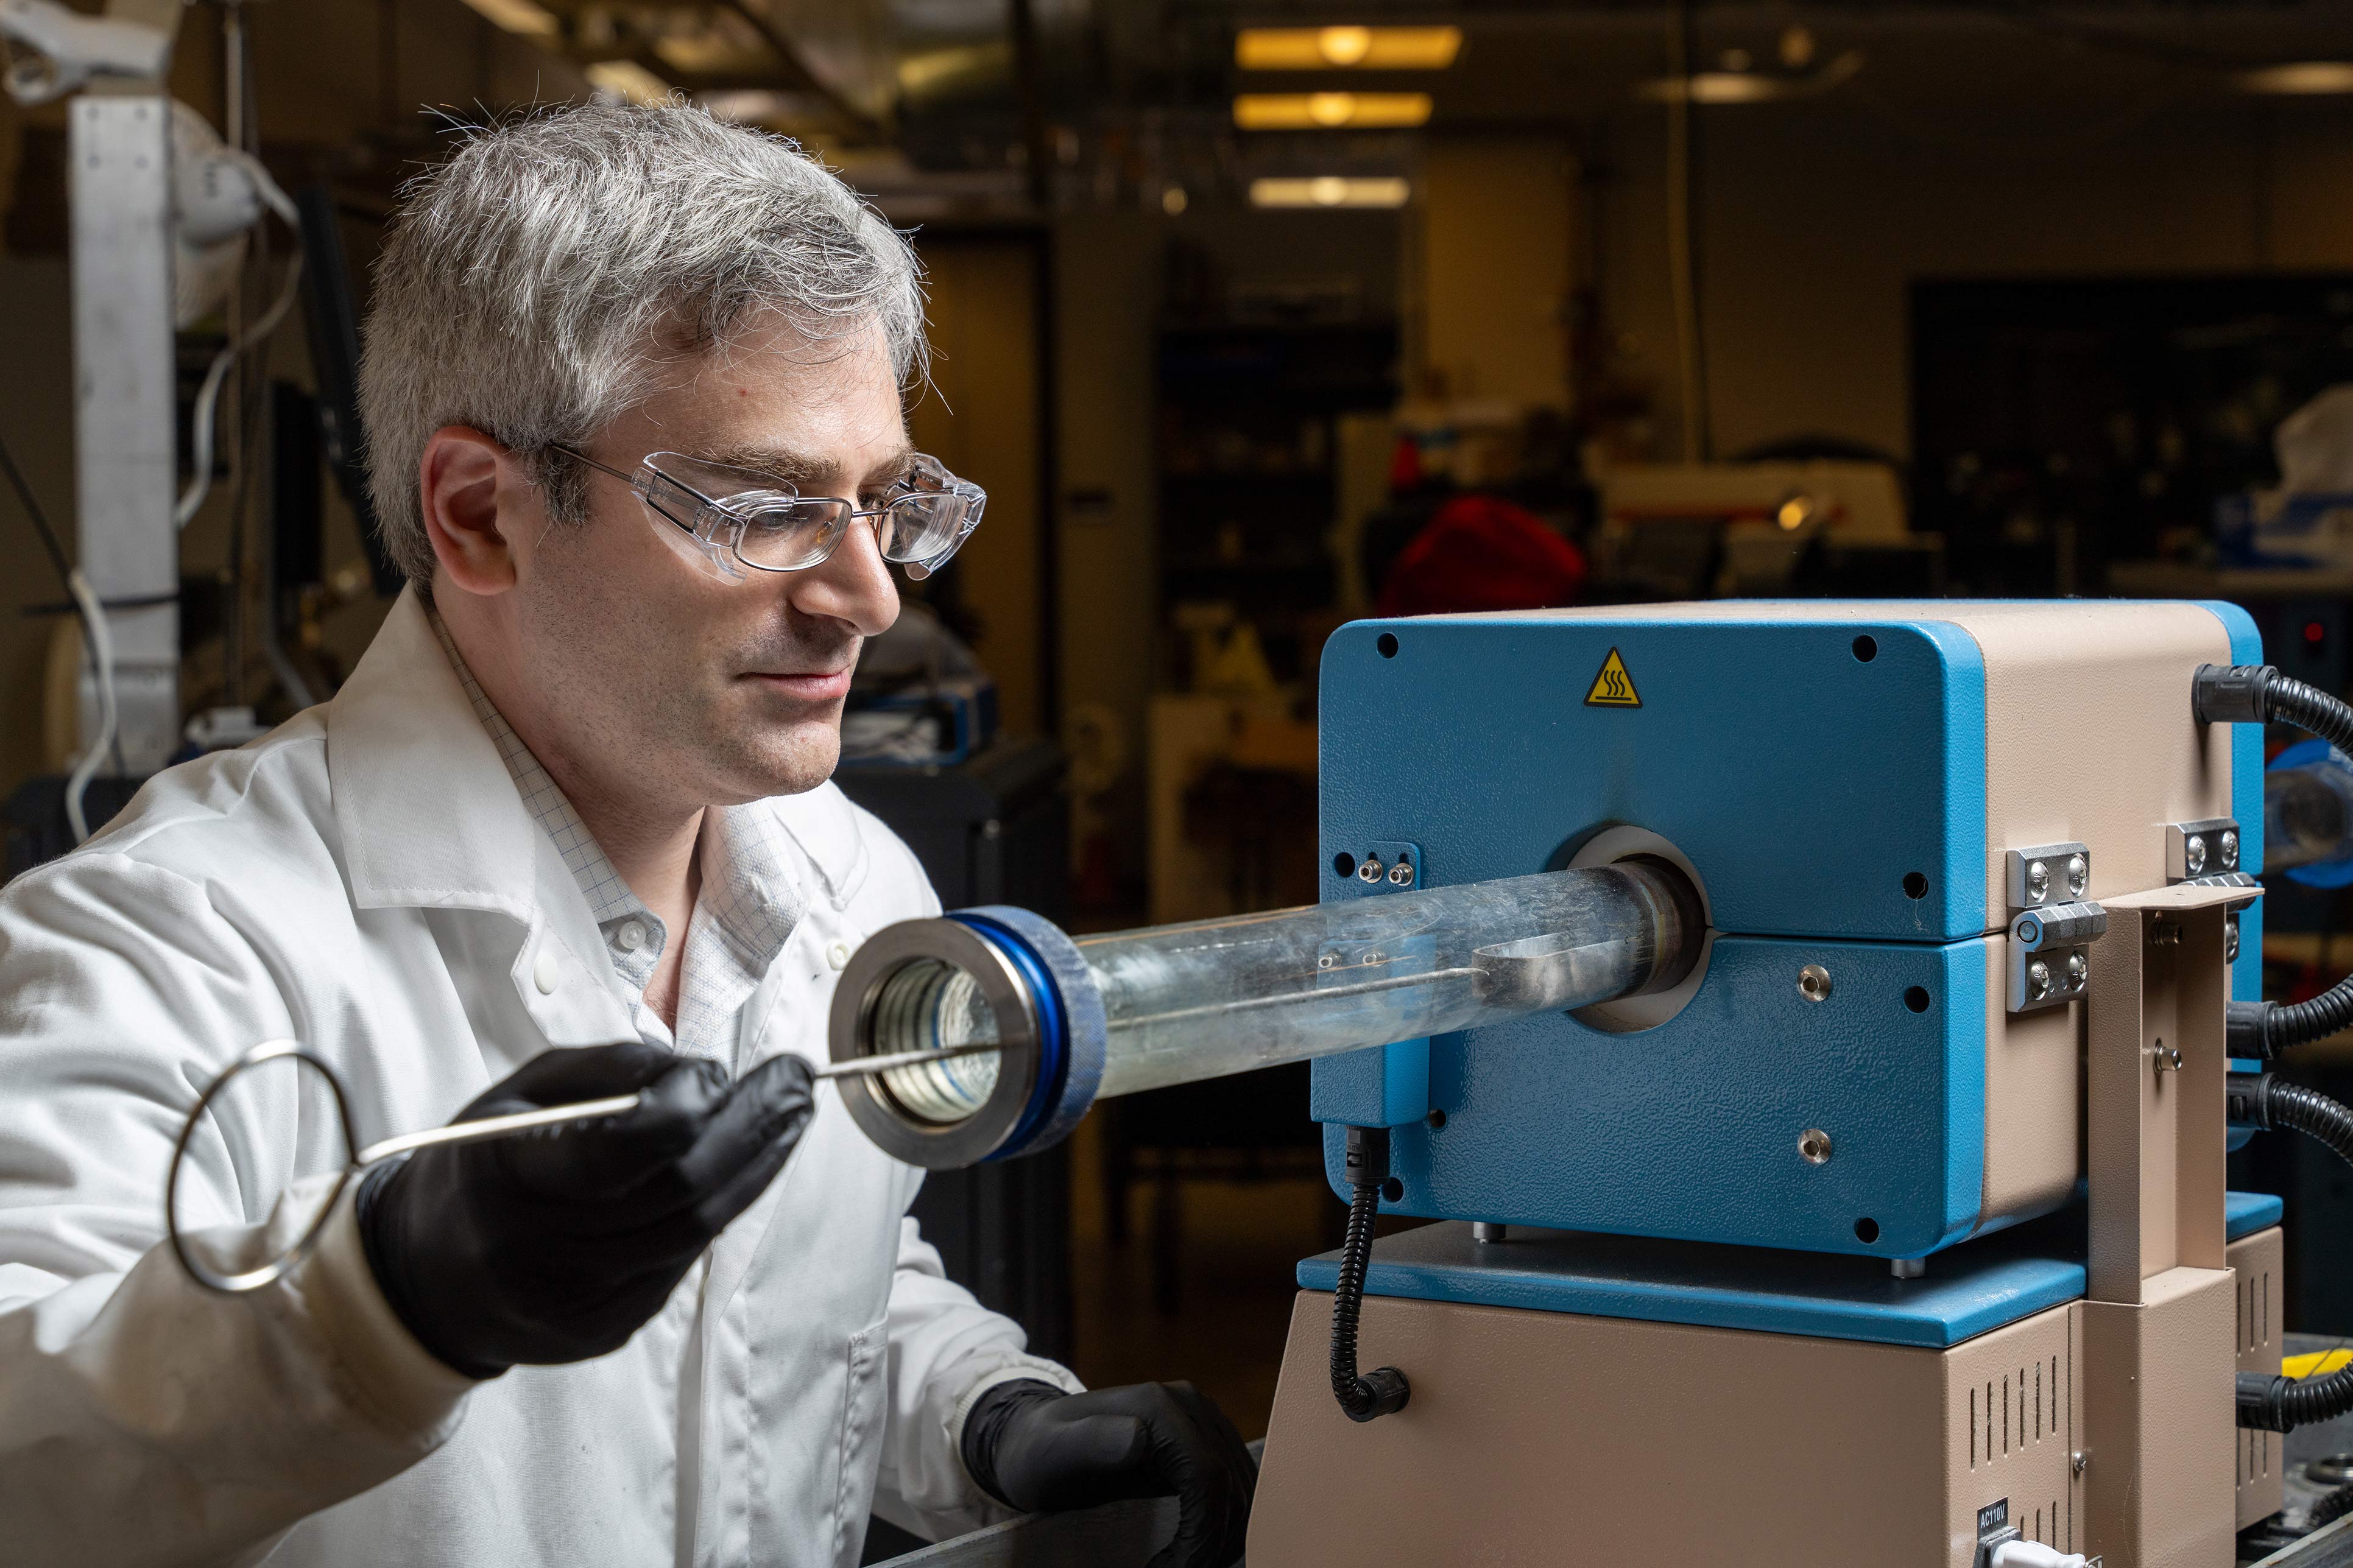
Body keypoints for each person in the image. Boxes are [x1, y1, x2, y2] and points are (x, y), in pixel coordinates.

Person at [0, 102, 1254, 1566]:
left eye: (879, 504)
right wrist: (389, 1296)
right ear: (479, 514)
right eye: (765, 506)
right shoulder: (175, 933)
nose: (871, 598)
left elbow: (810, 1287)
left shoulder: (850, 881)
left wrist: (985, 1416)